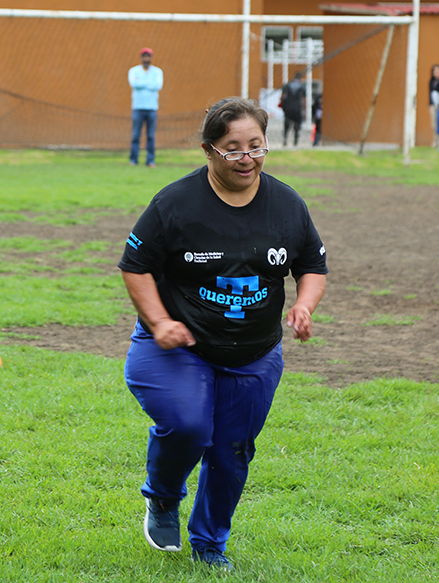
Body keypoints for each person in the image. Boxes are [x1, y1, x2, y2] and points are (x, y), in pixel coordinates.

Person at [118, 97, 327, 571]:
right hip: (178, 343)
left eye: (256, 146)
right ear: (209, 151)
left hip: (254, 353)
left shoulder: (287, 203)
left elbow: (312, 265)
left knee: (233, 451)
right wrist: (159, 321)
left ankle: (210, 545)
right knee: (191, 425)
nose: (246, 157)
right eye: (233, 149)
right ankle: (164, 498)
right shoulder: (175, 204)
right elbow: (136, 266)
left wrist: (303, 305)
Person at [128, 48, 163, 167]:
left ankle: (150, 160)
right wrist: (149, 83)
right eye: (144, 56)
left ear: (151, 58)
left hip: (152, 108)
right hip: (137, 108)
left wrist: (142, 82)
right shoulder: (134, 71)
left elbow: (157, 85)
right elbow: (134, 84)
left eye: (148, 56)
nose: (146, 59)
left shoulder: (157, 72)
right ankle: (133, 159)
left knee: (150, 136)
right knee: (136, 135)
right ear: (141, 58)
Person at [280, 75, 306, 147]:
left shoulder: (287, 85)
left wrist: (283, 106)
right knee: (297, 125)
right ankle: (295, 140)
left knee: (287, 124)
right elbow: (303, 99)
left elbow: (282, 96)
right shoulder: (301, 87)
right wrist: (304, 109)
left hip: (288, 107)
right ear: (300, 78)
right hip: (297, 108)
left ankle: (285, 139)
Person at [428, 64, 439, 148]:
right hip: (433, 105)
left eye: (438, 71)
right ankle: (435, 140)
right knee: (433, 124)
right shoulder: (431, 82)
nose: (436, 73)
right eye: (434, 71)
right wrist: (430, 104)